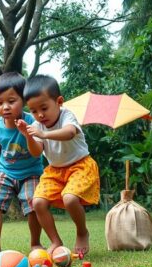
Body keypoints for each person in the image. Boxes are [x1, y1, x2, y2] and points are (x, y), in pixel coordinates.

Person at [19, 75, 99, 256]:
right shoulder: (37, 125)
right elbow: (37, 152)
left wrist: (44, 134)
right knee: (38, 202)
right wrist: (29, 136)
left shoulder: (66, 115)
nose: (39, 115)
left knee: (70, 198)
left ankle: (82, 231)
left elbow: (70, 133)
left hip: (80, 166)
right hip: (55, 171)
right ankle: (55, 241)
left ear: (59, 101)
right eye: (33, 111)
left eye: (44, 108)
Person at [0, 72, 44, 264]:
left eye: (11, 101)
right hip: (5, 172)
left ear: (23, 100)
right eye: (0, 102)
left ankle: (35, 244)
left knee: (33, 205)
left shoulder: (32, 121)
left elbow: (36, 152)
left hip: (31, 172)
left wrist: (27, 134)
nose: (5, 106)